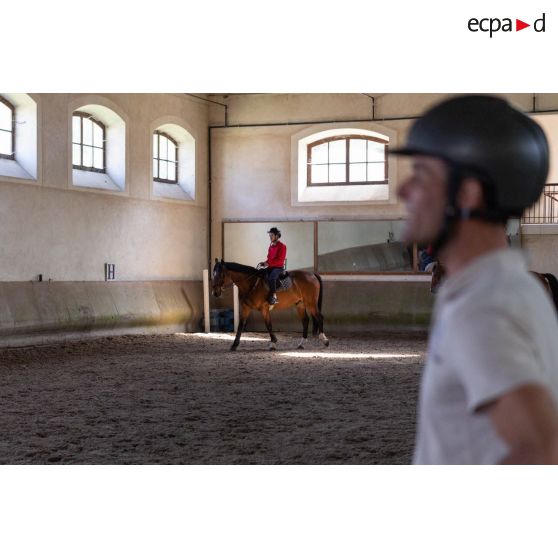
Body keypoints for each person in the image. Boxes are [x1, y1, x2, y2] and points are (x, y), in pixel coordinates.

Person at [393, 95, 558, 464]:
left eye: (421, 175)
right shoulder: (515, 288)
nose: (403, 190)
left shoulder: (483, 307)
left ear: (467, 192)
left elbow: (541, 447)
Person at [257, 227, 287, 305]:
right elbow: (269, 259)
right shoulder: (271, 246)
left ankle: (274, 296)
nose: (270, 237)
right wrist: (264, 263)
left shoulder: (282, 246)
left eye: (272, 235)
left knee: (272, 277)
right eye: (269, 235)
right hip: (271, 267)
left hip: (278, 268)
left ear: (277, 236)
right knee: (260, 272)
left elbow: (280, 260)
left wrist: (269, 263)